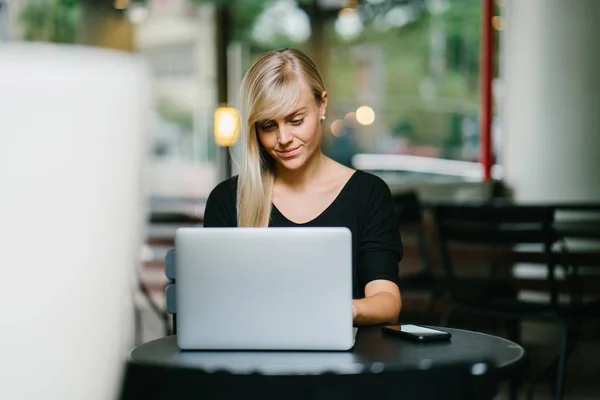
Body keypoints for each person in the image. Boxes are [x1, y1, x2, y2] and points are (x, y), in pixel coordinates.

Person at [203, 48, 402, 325]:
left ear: (322, 106)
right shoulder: (228, 200)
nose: (283, 138)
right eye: (268, 125)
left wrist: (341, 310)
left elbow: (387, 301)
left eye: (296, 120)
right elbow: (214, 305)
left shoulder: (368, 194)